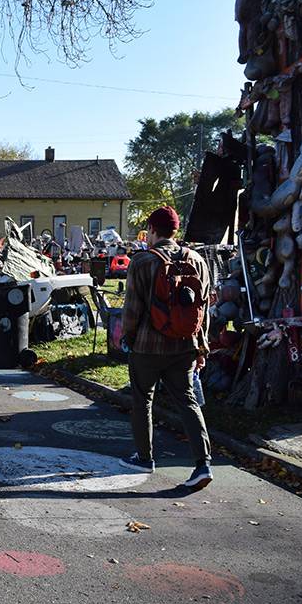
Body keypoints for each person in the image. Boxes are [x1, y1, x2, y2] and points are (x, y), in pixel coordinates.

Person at [120, 206, 214, 491]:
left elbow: (133, 308)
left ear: (152, 229)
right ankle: (203, 464)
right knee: (187, 401)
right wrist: (202, 348)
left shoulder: (142, 261)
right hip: (185, 345)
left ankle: (145, 458)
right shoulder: (197, 260)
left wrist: (128, 337)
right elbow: (204, 308)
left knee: (142, 400)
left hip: (148, 347)